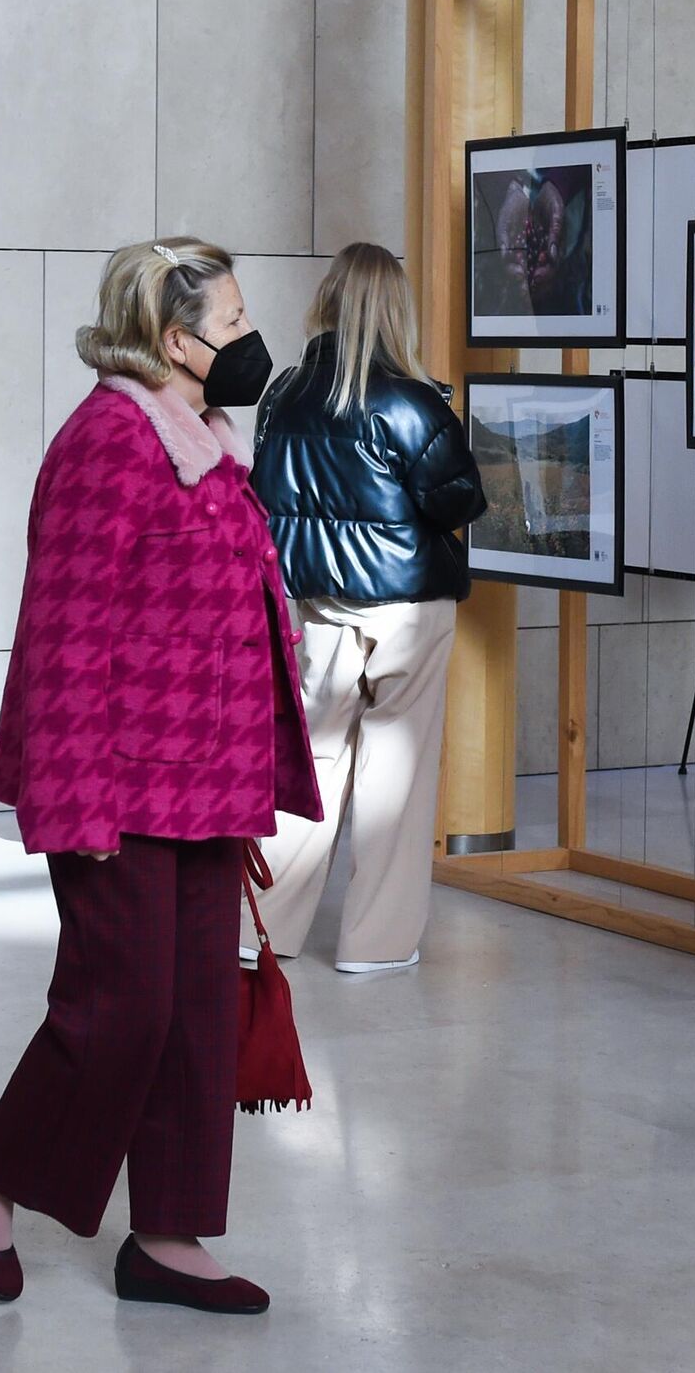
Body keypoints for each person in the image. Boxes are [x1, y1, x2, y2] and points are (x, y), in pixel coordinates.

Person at [0, 237, 321, 1313]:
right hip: (119, 785)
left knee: (197, 1009)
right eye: (232, 323)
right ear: (170, 337)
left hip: (205, 778)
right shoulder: (109, 440)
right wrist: (77, 804)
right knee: (120, 1009)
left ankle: (166, 1234)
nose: (249, 341)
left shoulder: (205, 435)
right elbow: (65, 634)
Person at [250, 241, 485, 971]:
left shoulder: (283, 392)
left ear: (328, 300)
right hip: (408, 609)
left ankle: (260, 931)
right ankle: (375, 944)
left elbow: (267, 498)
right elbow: (460, 499)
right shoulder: (411, 403)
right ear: (395, 311)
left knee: (309, 764)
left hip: (314, 605)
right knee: (397, 777)